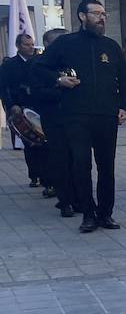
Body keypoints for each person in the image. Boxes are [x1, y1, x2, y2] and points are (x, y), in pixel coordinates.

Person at [37, 0, 126, 233]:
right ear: (82, 16)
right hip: (75, 115)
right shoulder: (65, 44)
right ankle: (88, 214)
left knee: (106, 166)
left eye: (103, 14)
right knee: (81, 164)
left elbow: (125, 79)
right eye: (96, 13)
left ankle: (105, 214)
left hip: (106, 115)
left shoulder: (111, 46)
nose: (101, 18)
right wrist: (58, 80)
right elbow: (38, 68)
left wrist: (123, 106)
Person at [1, 32, 49, 190]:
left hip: (39, 107)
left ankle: (45, 176)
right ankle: (34, 175)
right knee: (30, 143)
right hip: (19, 108)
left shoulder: (39, 62)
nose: (30, 47)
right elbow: (4, 87)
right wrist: (11, 104)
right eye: (26, 45)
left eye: (31, 44)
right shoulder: (10, 65)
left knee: (43, 143)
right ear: (18, 46)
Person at [35, 29, 70, 210]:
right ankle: (64, 200)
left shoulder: (70, 61)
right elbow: (36, 92)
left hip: (75, 119)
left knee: (78, 160)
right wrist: (60, 87)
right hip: (54, 118)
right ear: (49, 44)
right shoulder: (39, 65)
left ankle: (79, 197)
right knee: (60, 159)